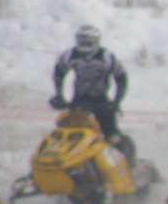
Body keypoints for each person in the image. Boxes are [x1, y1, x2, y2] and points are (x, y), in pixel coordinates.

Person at [51, 24, 130, 154]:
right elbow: (58, 73)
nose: (85, 45)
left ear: (96, 41)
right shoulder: (69, 55)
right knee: (65, 132)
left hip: (101, 101)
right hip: (78, 101)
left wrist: (116, 101)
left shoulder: (107, 56)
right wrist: (59, 95)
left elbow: (121, 78)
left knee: (111, 136)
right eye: (82, 41)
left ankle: (125, 164)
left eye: (88, 42)